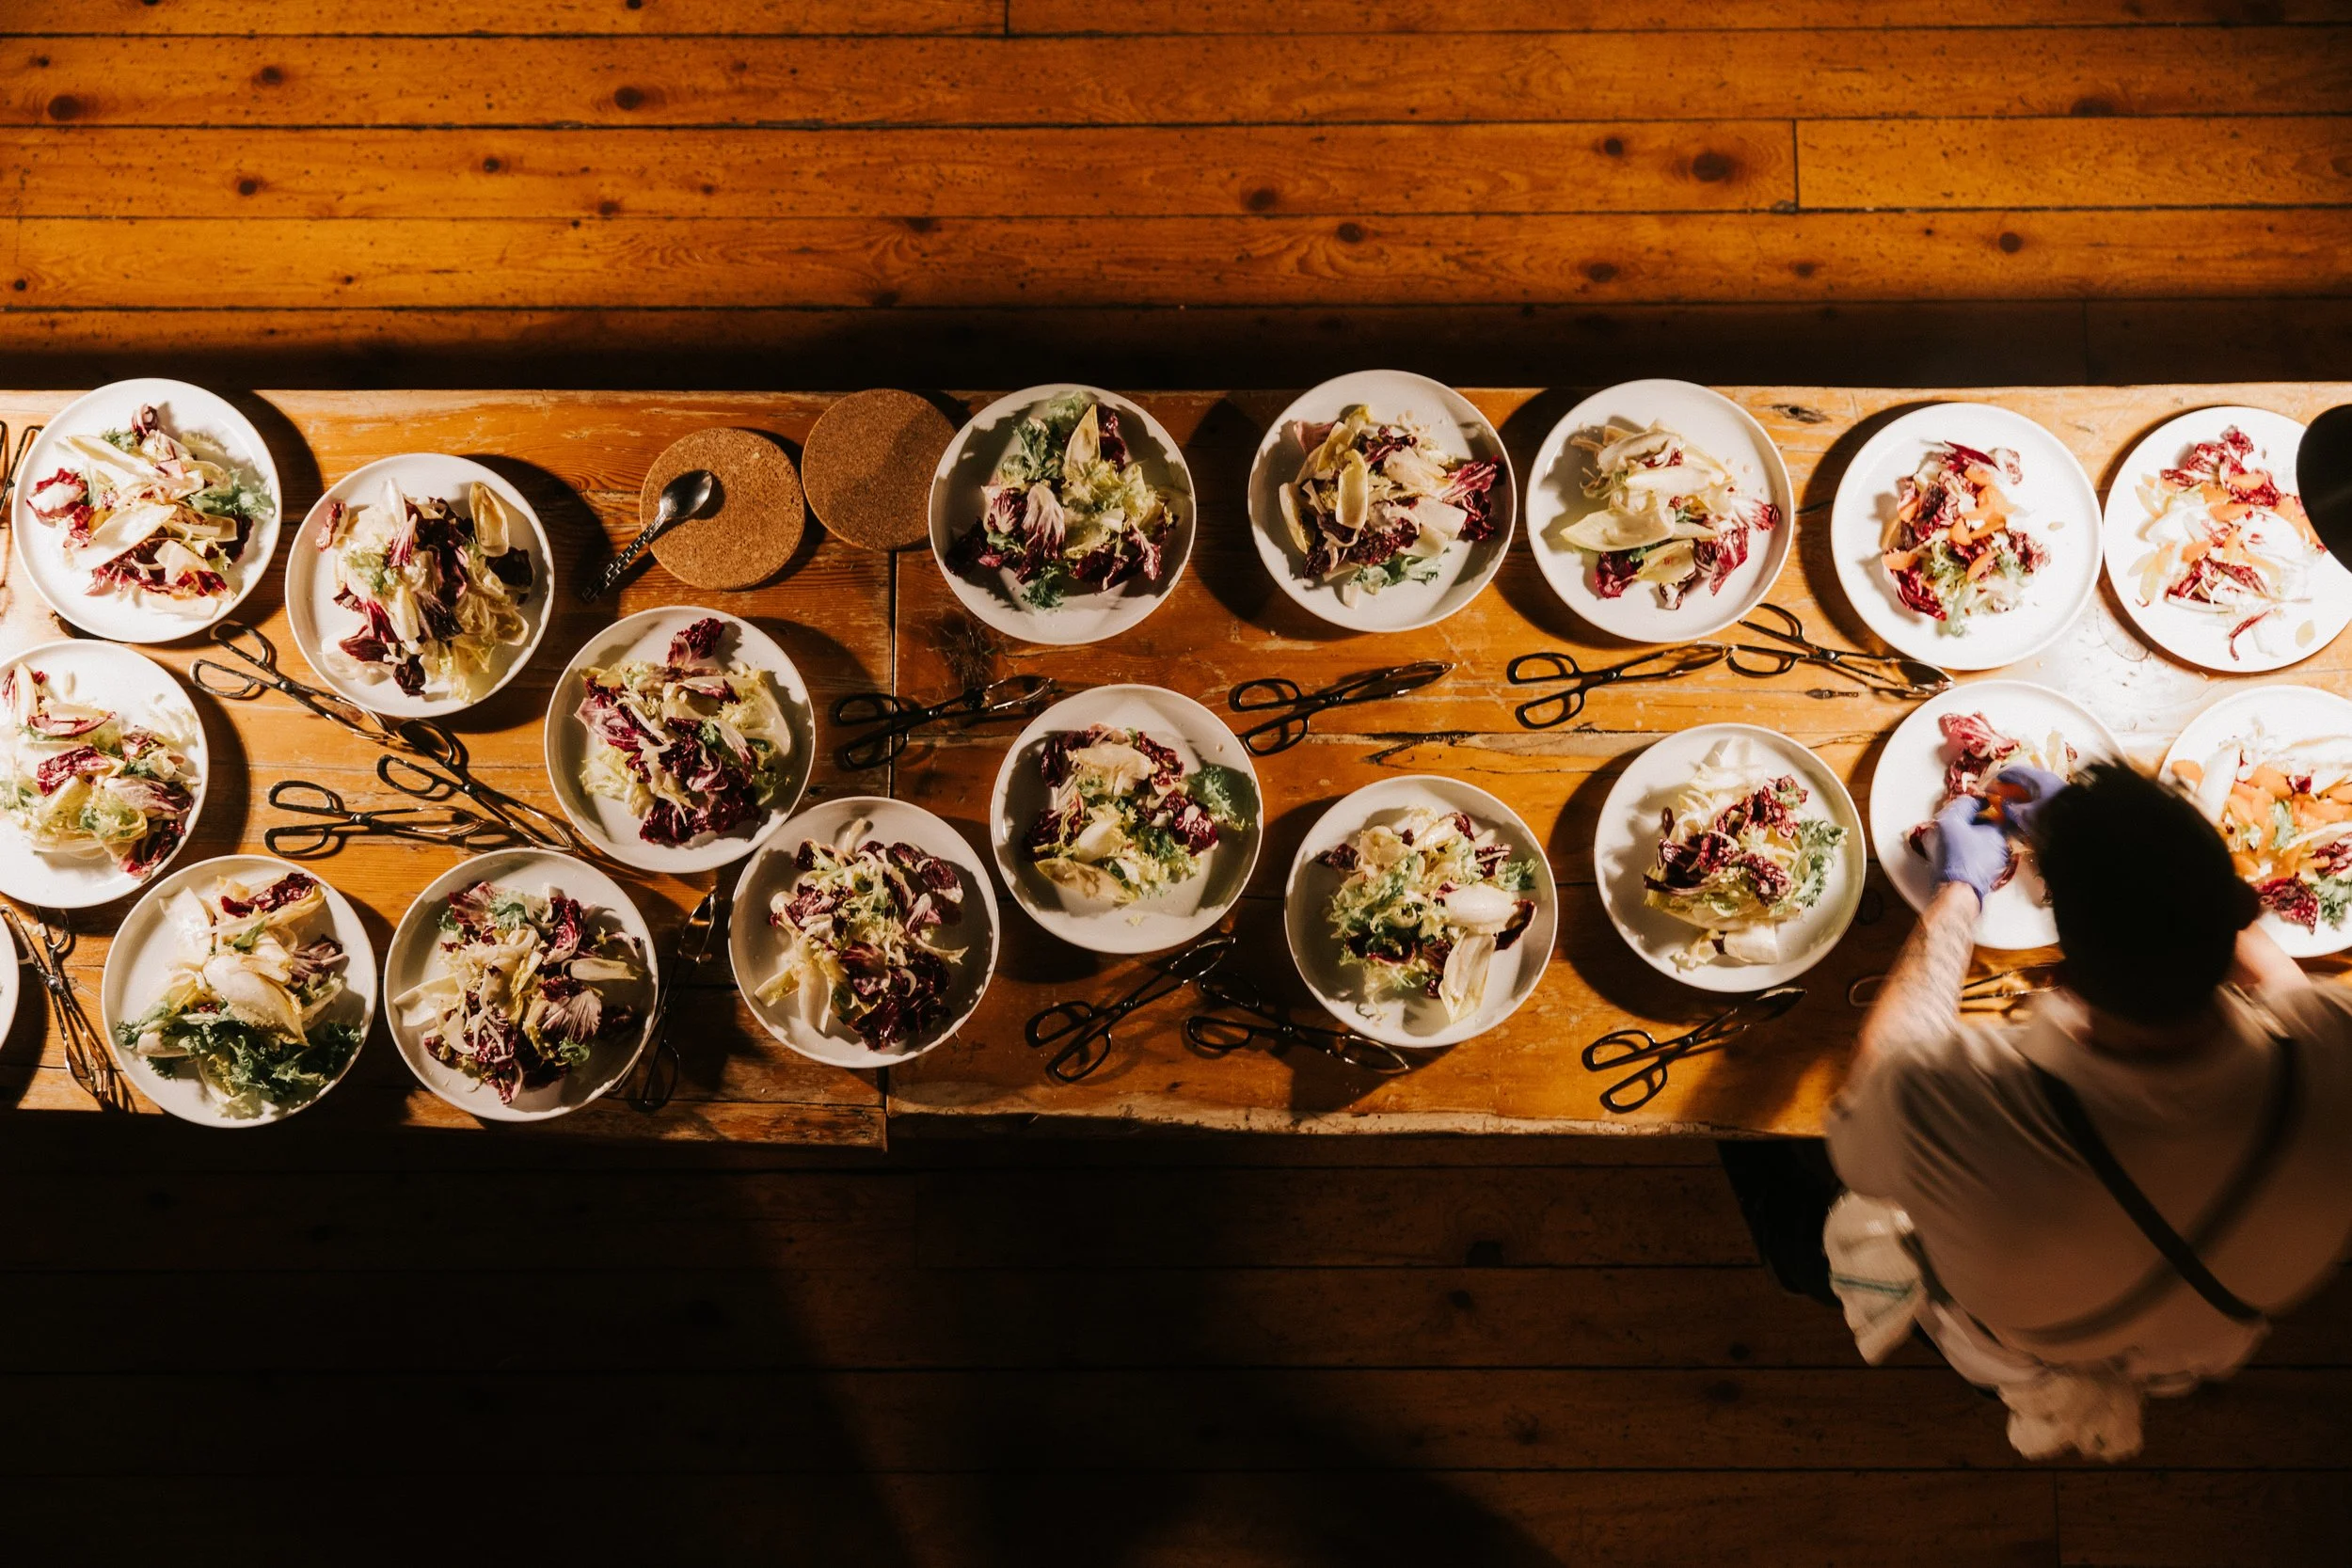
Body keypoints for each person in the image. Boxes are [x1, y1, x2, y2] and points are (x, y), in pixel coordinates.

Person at [1820, 760, 2352, 1460]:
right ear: (2240, 908)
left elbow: (1873, 1091)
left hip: (2023, 1336)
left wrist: (1959, 893)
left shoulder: (1951, 1108)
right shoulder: (2337, 1052)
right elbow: (2294, 992)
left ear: (2062, 979)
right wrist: (2143, 868)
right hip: (2200, 1336)